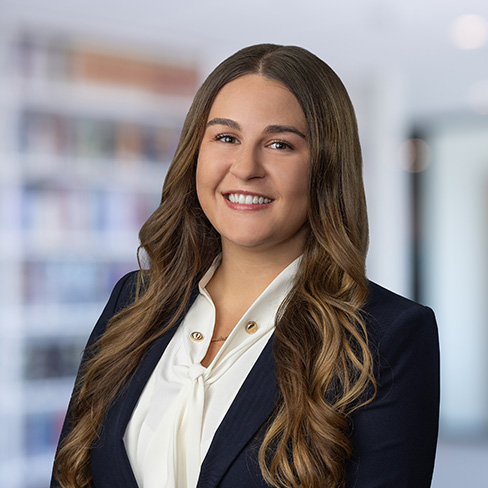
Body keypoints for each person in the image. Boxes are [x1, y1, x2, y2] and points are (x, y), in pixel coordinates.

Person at [51, 44, 440, 488]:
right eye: (226, 137)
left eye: (279, 144)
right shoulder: (133, 301)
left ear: (326, 167)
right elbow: (70, 474)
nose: (246, 168)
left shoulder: (386, 336)